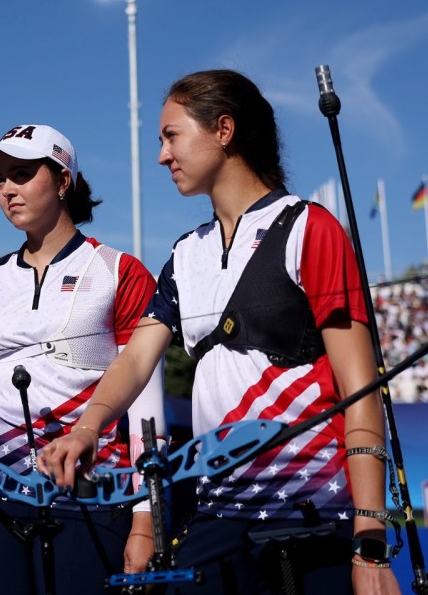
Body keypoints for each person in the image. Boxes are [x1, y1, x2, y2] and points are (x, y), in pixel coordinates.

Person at [38, 69, 402, 595]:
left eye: (171, 136)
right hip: (220, 519)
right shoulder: (186, 255)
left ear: (223, 129)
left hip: (313, 518)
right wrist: (88, 428)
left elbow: (361, 394)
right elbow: (136, 361)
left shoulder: (310, 228)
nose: (163, 156)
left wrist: (370, 544)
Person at [0, 124, 165, 593]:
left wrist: (145, 519)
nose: (8, 189)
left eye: (22, 174)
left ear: (64, 179)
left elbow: (146, 408)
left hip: (90, 488)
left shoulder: (119, 270)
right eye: (0, 180)